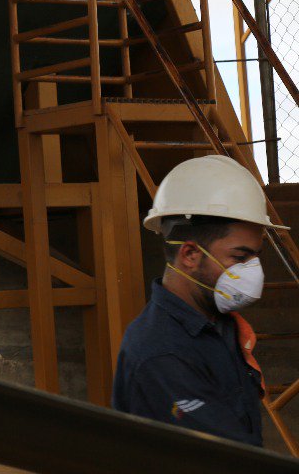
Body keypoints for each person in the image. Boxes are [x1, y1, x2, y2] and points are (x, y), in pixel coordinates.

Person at [113, 155, 282, 446]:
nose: (254, 271)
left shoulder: (217, 322)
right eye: (240, 257)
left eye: (255, 256)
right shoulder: (161, 354)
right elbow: (227, 458)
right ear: (190, 255)